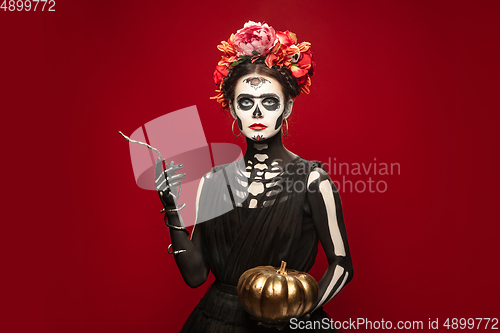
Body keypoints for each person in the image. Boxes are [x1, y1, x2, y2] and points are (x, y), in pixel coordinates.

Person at [155, 21, 353, 332]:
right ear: (233, 109)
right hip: (218, 321)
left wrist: (295, 312)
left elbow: (341, 265)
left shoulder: (313, 180)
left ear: (286, 108)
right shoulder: (213, 181)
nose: (257, 113)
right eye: (246, 102)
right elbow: (195, 277)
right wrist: (173, 212)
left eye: (269, 102)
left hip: (288, 321)